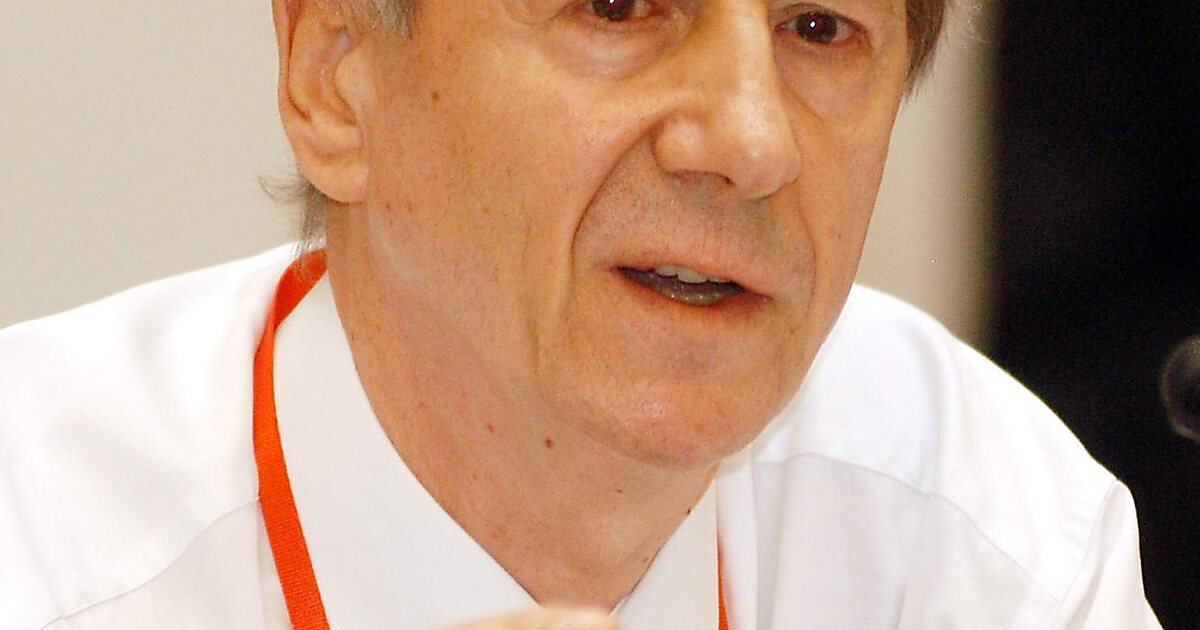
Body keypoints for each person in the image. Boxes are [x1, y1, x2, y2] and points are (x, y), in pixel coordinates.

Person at [0, 0, 1161, 628]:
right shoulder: (36, 556)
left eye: (818, 29)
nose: (751, 139)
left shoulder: (985, 543)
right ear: (335, 78)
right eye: (620, 9)